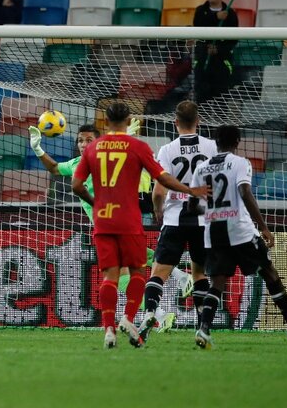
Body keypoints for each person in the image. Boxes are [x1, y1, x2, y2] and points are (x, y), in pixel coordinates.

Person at [71, 102, 208, 349]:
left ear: (105, 122)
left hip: (103, 220)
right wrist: (189, 189)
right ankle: (128, 317)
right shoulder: (137, 146)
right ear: (129, 119)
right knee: (138, 272)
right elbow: (162, 178)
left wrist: (96, 202)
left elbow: (76, 185)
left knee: (109, 278)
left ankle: (109, 330)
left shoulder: (92, 149)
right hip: (129, 219)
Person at [31, 121, 186, 334]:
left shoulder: (106, 160)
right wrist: (38, 149)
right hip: (118, 222)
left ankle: (158, 314)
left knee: (119, 274)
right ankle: (180, 278)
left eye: (89, 140)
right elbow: (55, 168)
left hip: (112, 222)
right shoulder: (77, 163)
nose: (84, 144)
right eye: (80, 140)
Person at [188, 125, 287, 349]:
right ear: (238, 141)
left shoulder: (201, 169)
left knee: (218, 281)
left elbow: (192, 206)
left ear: (216, 141)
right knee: (269, 272)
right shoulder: (240, 163)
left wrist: (211, 212)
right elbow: (245, 192)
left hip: (214, 231)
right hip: (239, 230)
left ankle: (204, 329)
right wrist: (264, 227)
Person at [138, 101, 218, 342]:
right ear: (199, 121)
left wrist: (158, 210)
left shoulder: (167, 150)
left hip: (174, 218)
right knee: (200, 275)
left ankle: (151, 312)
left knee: (158, 273)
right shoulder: (212, 147)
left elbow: (159, 190)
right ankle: (203, 327)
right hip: (203, 220)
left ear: (175, 123)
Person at [193, 0, 238, 104]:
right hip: (203, 63)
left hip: (222, 65)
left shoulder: (230, 13)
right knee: (201, 100)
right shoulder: (200, 11)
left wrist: (219, 49)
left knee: (221, 100)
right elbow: (198, 27)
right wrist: (215, 17)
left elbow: (233, 39)